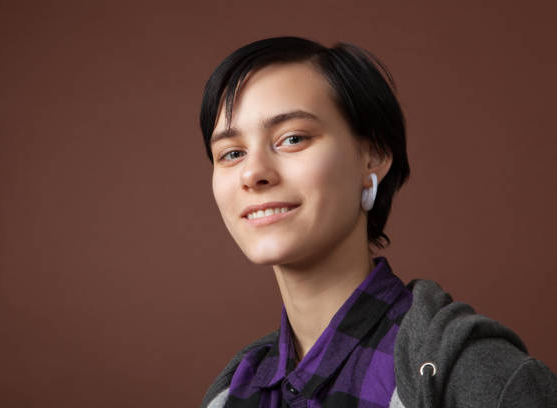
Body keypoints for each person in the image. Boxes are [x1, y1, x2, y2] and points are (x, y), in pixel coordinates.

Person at [198, 36, 557, 408]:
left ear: (373, 157)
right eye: (232, 153)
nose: (253, 172)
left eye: (292, 138)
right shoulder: (232, 393)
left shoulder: (475, 375)